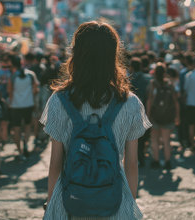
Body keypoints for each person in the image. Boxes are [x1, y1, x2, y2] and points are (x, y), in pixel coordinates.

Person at [40, 20, 151, 219]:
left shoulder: (59, 100)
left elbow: (55, 162)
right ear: (113, 55)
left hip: (70, 203)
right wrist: (129, 202)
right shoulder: (130, 103)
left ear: (77, 54)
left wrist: (51, 203)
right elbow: (132, 163)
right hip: (114, 202)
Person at [146, 63, 180, 170]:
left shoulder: (153, 83)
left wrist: (147, 115)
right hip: (168, 116)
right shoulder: (170, 84)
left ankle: (155, 160)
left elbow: (150, 101)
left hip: (155, 115)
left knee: (154, 139)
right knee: (166, 140)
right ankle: (167, 161)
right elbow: (175, 101)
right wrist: (177, 116)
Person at [8, 54, 39, 160]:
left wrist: (11, 102)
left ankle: (20, 151)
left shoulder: (13, 76)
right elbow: (36, 88)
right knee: (27, 126)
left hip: (16, 106)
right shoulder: (31, 75)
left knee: (16, 128)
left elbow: (10, 91)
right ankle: (25, 143)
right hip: (28, 104)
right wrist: (30, 95)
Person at [129, 57, 152, 167]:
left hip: (132, 111)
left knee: (133, 136)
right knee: (143, 135)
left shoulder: (128, 79)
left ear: (131, 67)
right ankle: (141, 154)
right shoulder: (148, 78)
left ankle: (135, 156)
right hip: (146, 109)